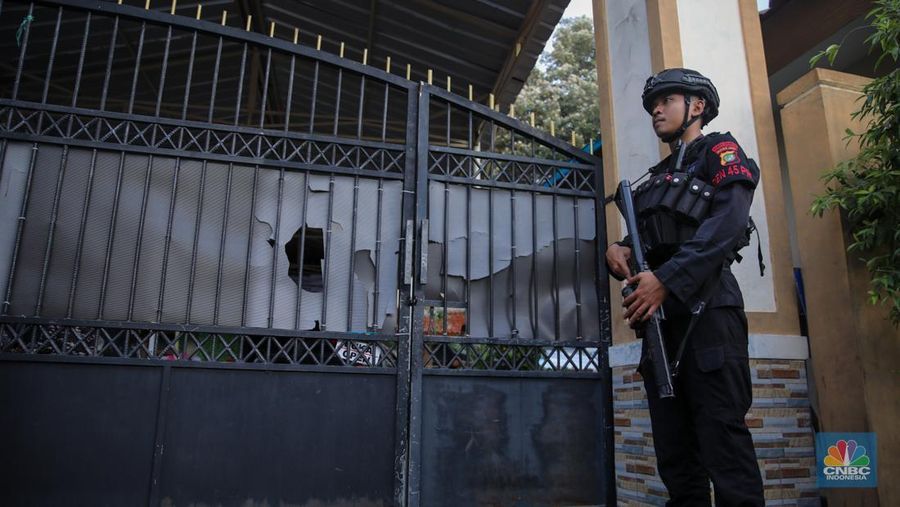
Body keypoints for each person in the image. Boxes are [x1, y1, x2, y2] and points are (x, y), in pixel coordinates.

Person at [606, 68, 765, 506]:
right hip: (659, 324)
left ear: (696, 106)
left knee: (724, 449)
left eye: (666, 101)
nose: (655, 109)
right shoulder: (655, 175)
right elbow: (653, 237)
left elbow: (727, 224)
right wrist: (618, 250)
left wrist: (667, 281)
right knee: (675, 459)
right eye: (652, 105)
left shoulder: (721, 151)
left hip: (708, 313)